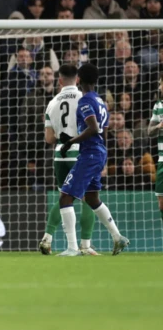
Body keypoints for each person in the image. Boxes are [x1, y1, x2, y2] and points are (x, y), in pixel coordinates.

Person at [58, 64, 130, 256]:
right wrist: (101, 156)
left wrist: (70, 142)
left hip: (90, 154)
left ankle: (72, 248)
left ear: (79, 79)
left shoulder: (85, 101)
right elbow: (103, 132)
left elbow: (93, 128)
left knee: (65, 196)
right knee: (91, 197)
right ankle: (118, 238)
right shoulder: (101, 101)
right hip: (98, 152)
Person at [39, 65, 97, 256]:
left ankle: (48, 237)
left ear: (60, 80)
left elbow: (49, 138)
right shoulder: (85, 99)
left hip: (59, 156)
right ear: (78, 79)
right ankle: (85, 245)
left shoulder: (52, 102)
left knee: (65, 198)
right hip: (81, 153)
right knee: (89, 198)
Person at [146, 73, 163, 229]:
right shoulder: (158, 105)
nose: (159, 87)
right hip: (162, 161)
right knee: (161, 203)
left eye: (161, 83)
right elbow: (149, 131)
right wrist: (158, 126)